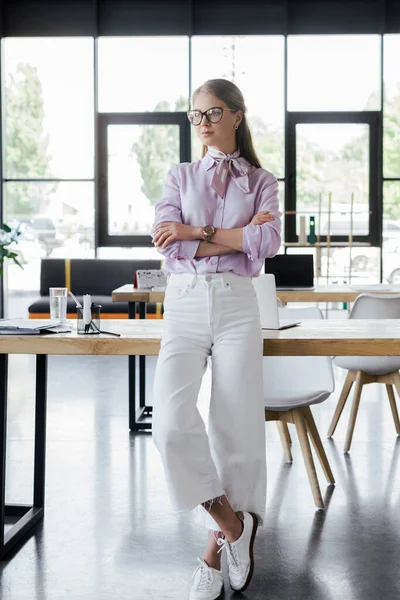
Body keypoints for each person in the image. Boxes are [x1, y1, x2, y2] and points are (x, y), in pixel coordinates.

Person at [151, 78, 281, 600]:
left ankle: (213, 551)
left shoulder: (263, 180)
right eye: (195, 115)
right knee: (168, 423)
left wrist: (196, 233)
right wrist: (232, 237)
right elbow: (166, 242)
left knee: (237, 426)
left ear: (236, 117)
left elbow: (267, 243)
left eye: (212, 113)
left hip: (236, 304)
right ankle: (233, 525)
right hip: (183, 304)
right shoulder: (179, 175)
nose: (203, 123)